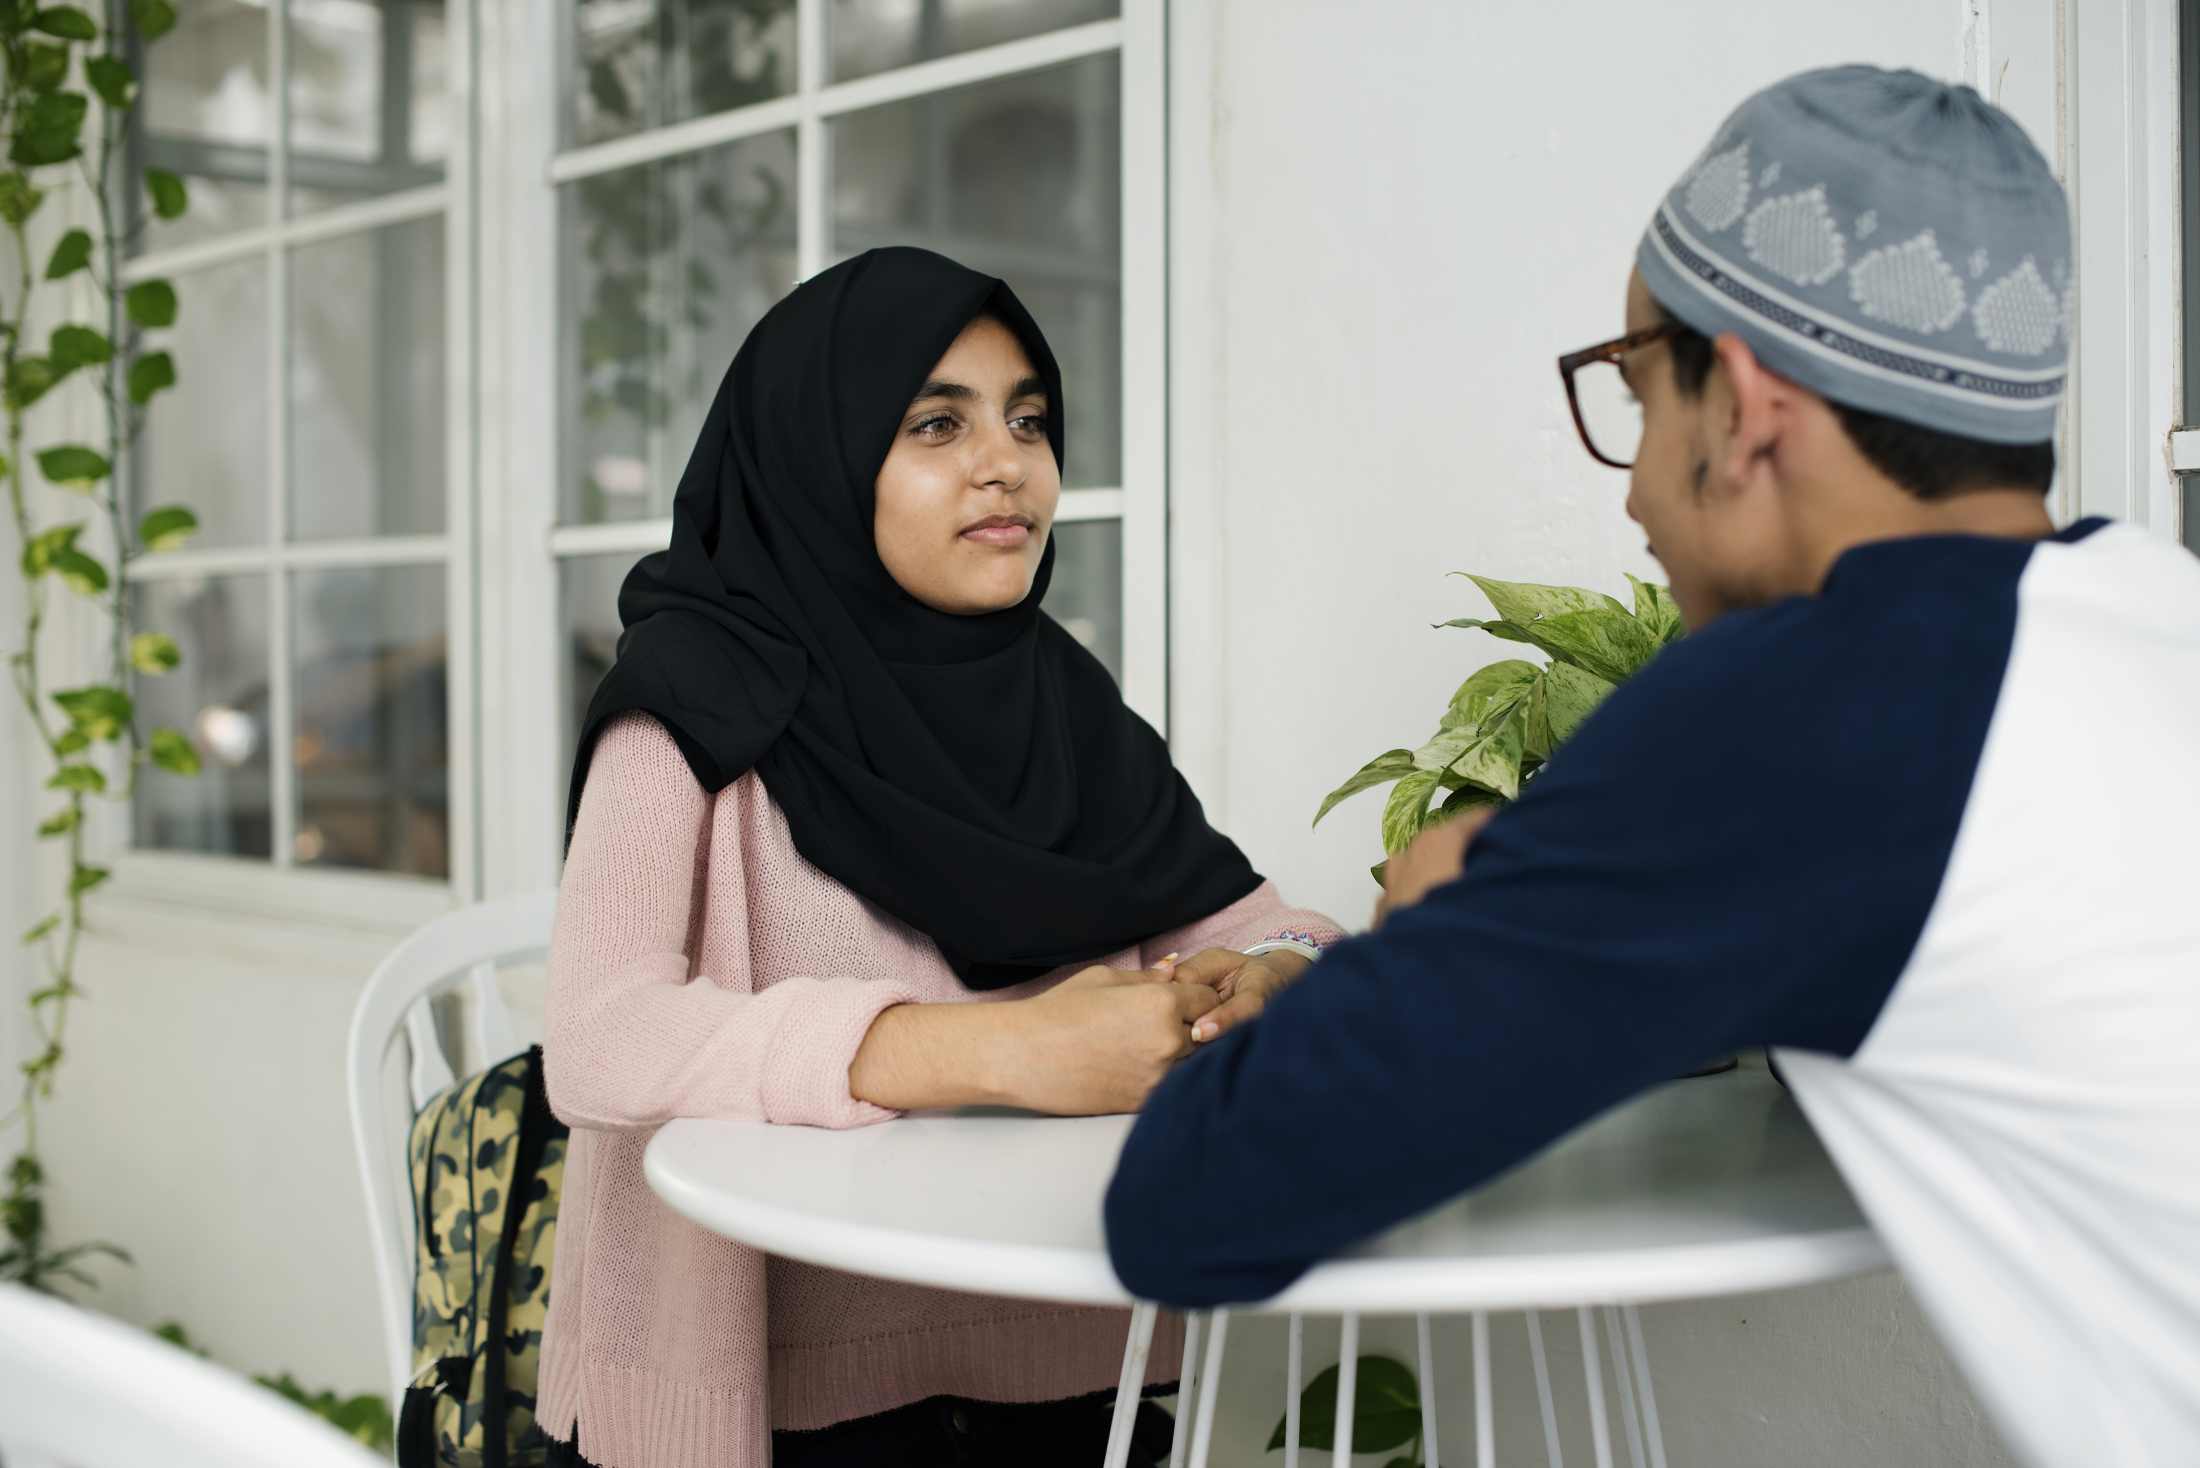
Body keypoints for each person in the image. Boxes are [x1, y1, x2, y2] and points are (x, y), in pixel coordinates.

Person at [1105, 66, 2200, 1467]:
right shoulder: (2149, 613)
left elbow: (1194, 1201)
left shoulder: (1811, 703)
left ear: (1740, 402)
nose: (1626, 488)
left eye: (1632, 389)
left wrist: (1451, 912)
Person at [537, 246, 1342, 1468]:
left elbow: (1265, 923)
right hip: (771, 1407)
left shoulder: (1059, 704)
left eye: (1028, 419)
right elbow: (597, 1037)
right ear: (817, 459)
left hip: (1073, 1364)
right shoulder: (689, 702)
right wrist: (1000, 1050)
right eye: (934, 424)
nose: (1005, 461)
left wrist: (1273, 982)